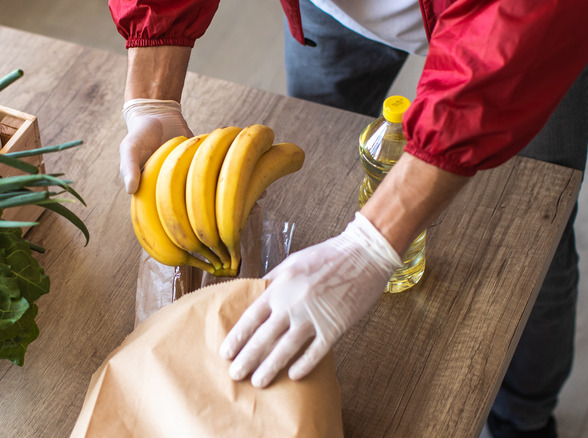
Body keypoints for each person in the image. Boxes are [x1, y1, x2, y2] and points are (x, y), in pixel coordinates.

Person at [109, 0, 588, 436]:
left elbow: (513, 30)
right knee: (322, 162)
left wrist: (372, 244)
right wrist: (153, 94)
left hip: (522, 39)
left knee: (536, 238)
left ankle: (522, 421)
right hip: (335, 13)